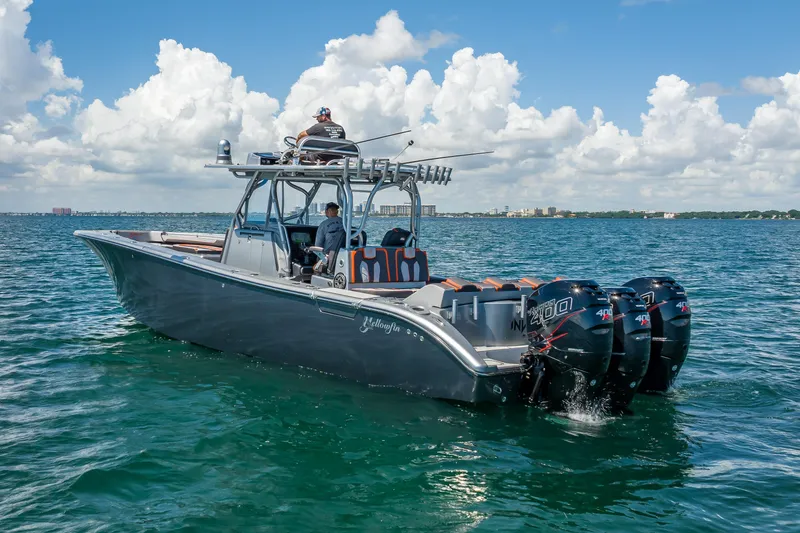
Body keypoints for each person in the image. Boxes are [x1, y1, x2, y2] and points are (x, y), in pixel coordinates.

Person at [307, 202, 346, 273]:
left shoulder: (323, 225)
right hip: (343, 257)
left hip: (329, 259)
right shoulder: (345, 223)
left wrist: (309, 248)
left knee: (313, 250)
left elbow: (318, 246)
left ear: (328, 211)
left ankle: (317, 276)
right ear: (336, 211)